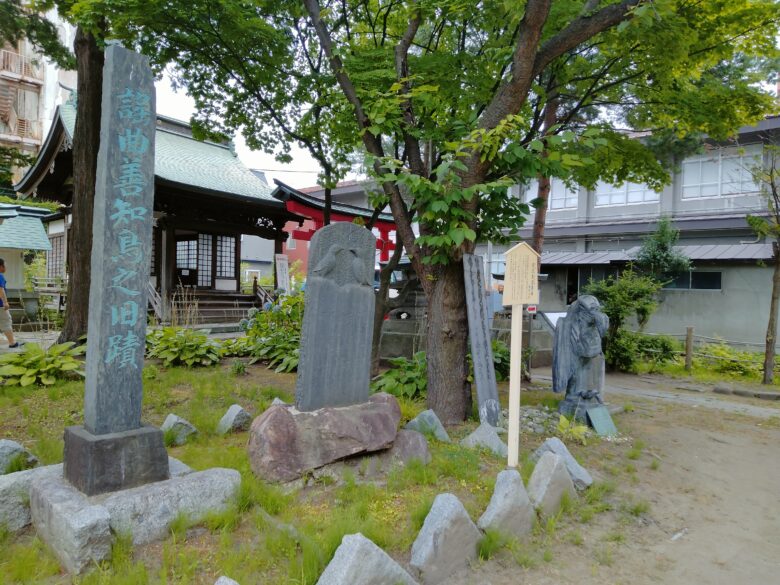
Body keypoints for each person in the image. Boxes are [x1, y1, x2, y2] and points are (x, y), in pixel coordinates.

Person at [0, 258, 21, 348]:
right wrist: (5, 302)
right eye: (5, 265)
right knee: (6, 321)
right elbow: (0, 290)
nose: (6, 267)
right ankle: (12, 343)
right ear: (1, 266)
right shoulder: (0, 276)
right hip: (0, 305)